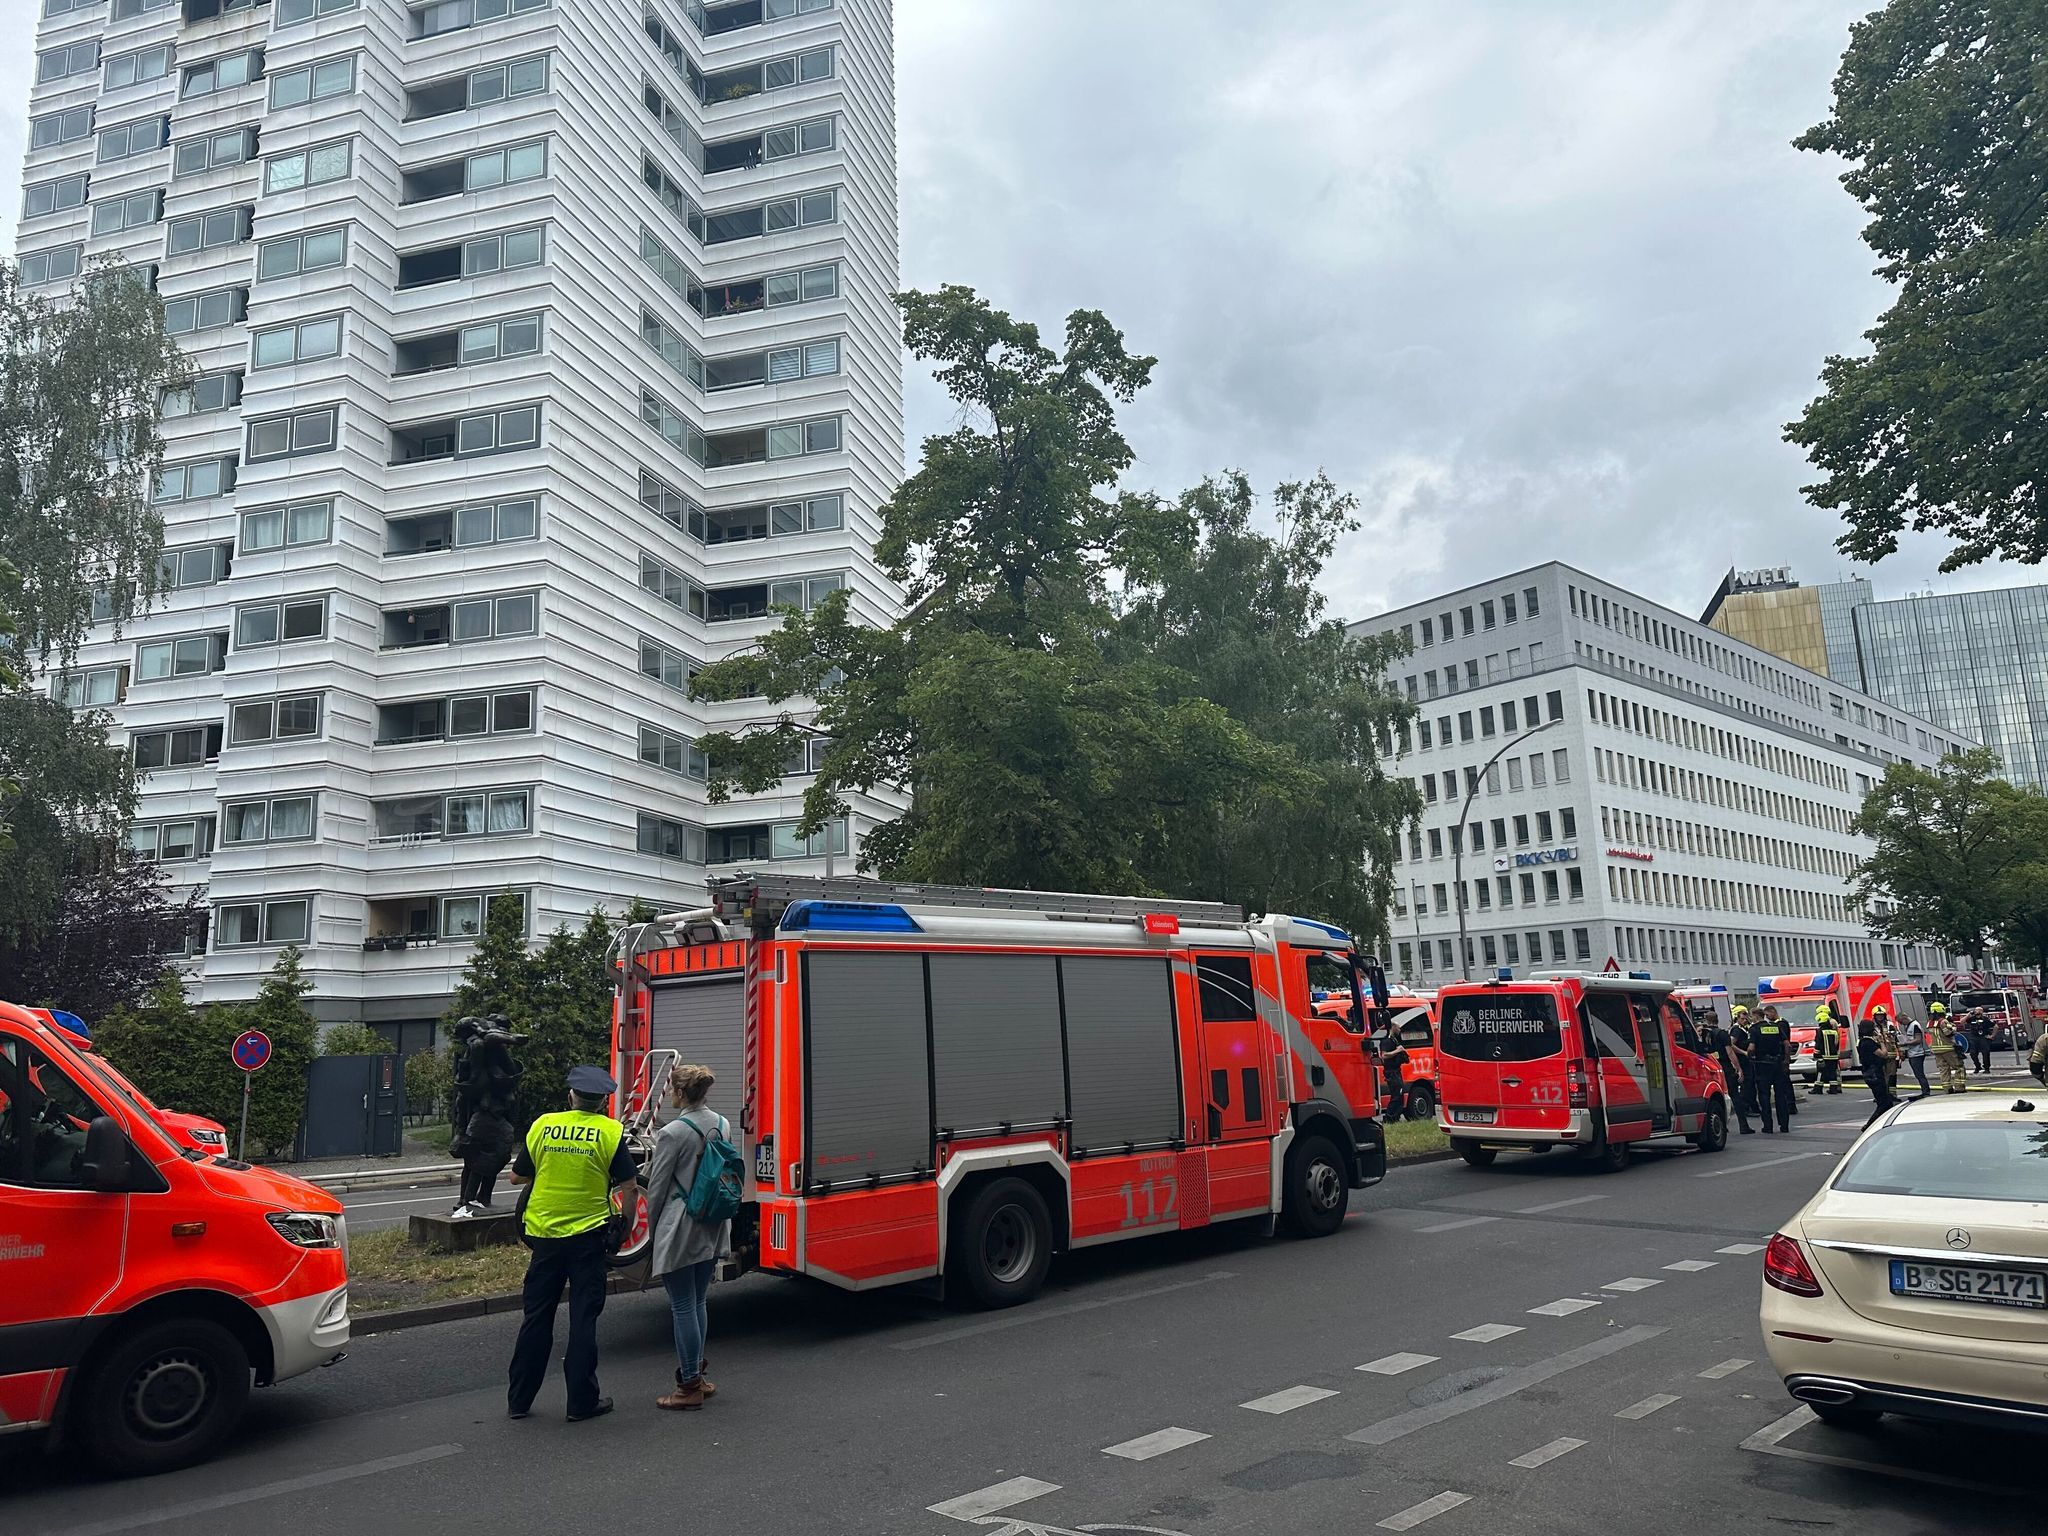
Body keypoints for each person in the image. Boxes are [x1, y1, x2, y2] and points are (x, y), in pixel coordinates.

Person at [507, 1065, 637, 1423]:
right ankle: (581, 1402)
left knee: (536, 1317)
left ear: (570, 1097)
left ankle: (519, 1400)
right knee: (583, 1319)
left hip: (544, 1237)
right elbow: (628, 1187)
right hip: (588, 1240)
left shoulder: (543, 1125)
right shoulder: (610, 1132)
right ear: (602, 1104)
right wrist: (624, 1226)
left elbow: (518, 1176)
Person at [644, 1063, 734, 1412]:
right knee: (698, 1302)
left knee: (682, 1305)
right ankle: (698, 1374)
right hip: (713, 1221)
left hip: (681, 1225)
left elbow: (657, 1188)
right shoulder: (723, 1124)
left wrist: (653, 1233)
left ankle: (689, 1386)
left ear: (680, 1093)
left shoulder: (673, 1132)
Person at [1701, 1013, 1753, 1134]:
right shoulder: (1722, 1034)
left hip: (1709, 1066)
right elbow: (1730, 1052)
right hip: (1724, 1066)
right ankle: (1743, 1126)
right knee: (1734, 1095)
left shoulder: (1703, 1034)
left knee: (1715, 1097)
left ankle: (1721, 1125)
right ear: (1717, 1020)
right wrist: (1738, 1068)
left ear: (1706, 1020)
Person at [1749, 1005, 1795, 1133]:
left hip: (1763, 1065)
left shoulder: (1754, 1029)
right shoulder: (1776, 1027)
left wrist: (1750, 1057)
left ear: (1755, 1016)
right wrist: (1785, 1060)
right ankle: (1784, 1125)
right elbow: (1787, 1045)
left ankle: (1768, 1126)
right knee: (1781, 1095)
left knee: (1764, 1096)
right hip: (1778, 1064)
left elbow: (1751, 1048)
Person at [1856, 1018, 1899, 1128]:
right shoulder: (1868, 1043)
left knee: (1886, 1101)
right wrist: (1881, 1042)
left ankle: (1882, 1123)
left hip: (1869, 1073)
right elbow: (1883, 1054)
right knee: (1884, 1102)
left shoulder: (1861, 1041)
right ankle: (1870, 1125)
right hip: (1874, 1074)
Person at [1894, 1007, 1931, 1098]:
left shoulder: (1914, 1025)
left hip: (1917, 1053)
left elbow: (1918, 1040)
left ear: (1904, 1018)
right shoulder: (1910, 1026)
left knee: (1919, 1074)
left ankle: (1926, 1092)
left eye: (1901, 1022)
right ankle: (1925, 1091)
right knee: (1918, 1074)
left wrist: (1905, 1043)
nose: (1901, 1024)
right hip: (1913, 1053)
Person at [1808, 1004, 1844, 1097]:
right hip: (1833, 1056)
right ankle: (1834, 1088)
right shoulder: (1833, 1032)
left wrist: (1816, 1055)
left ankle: (1818, 1088)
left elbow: (1818, 1044)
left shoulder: (1820, 1031)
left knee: (1820, 1072)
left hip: (1823, 1056)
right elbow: (1836, 1043)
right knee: (1833, 1073)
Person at [1929, 1007, 1967, 1094]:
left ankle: (1947, 1088)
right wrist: (1953, 1026)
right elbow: (1948, 1033)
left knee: (1944, 1069)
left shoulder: (1929, 1023)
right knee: (1959, 1067)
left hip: (1936, 1050)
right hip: (1947, 1048)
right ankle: (1959, 1088)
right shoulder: (1943, 1021)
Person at [1967, 1008, 1995, 1074]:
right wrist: (1969, 1014)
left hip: (1983, 1037)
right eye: (1976, 1010)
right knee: (1973, 1053)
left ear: (1982, 1011)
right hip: (1974, 1038)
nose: (1977, 1011)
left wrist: (1992, 1036)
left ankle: (1987, 1068)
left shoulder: (1985, 1019)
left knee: (1985, 1053)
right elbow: (1962, 1021)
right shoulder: (1972, 1018)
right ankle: (1977, 1066)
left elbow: (1995, 1026)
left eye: (1979, 1010)